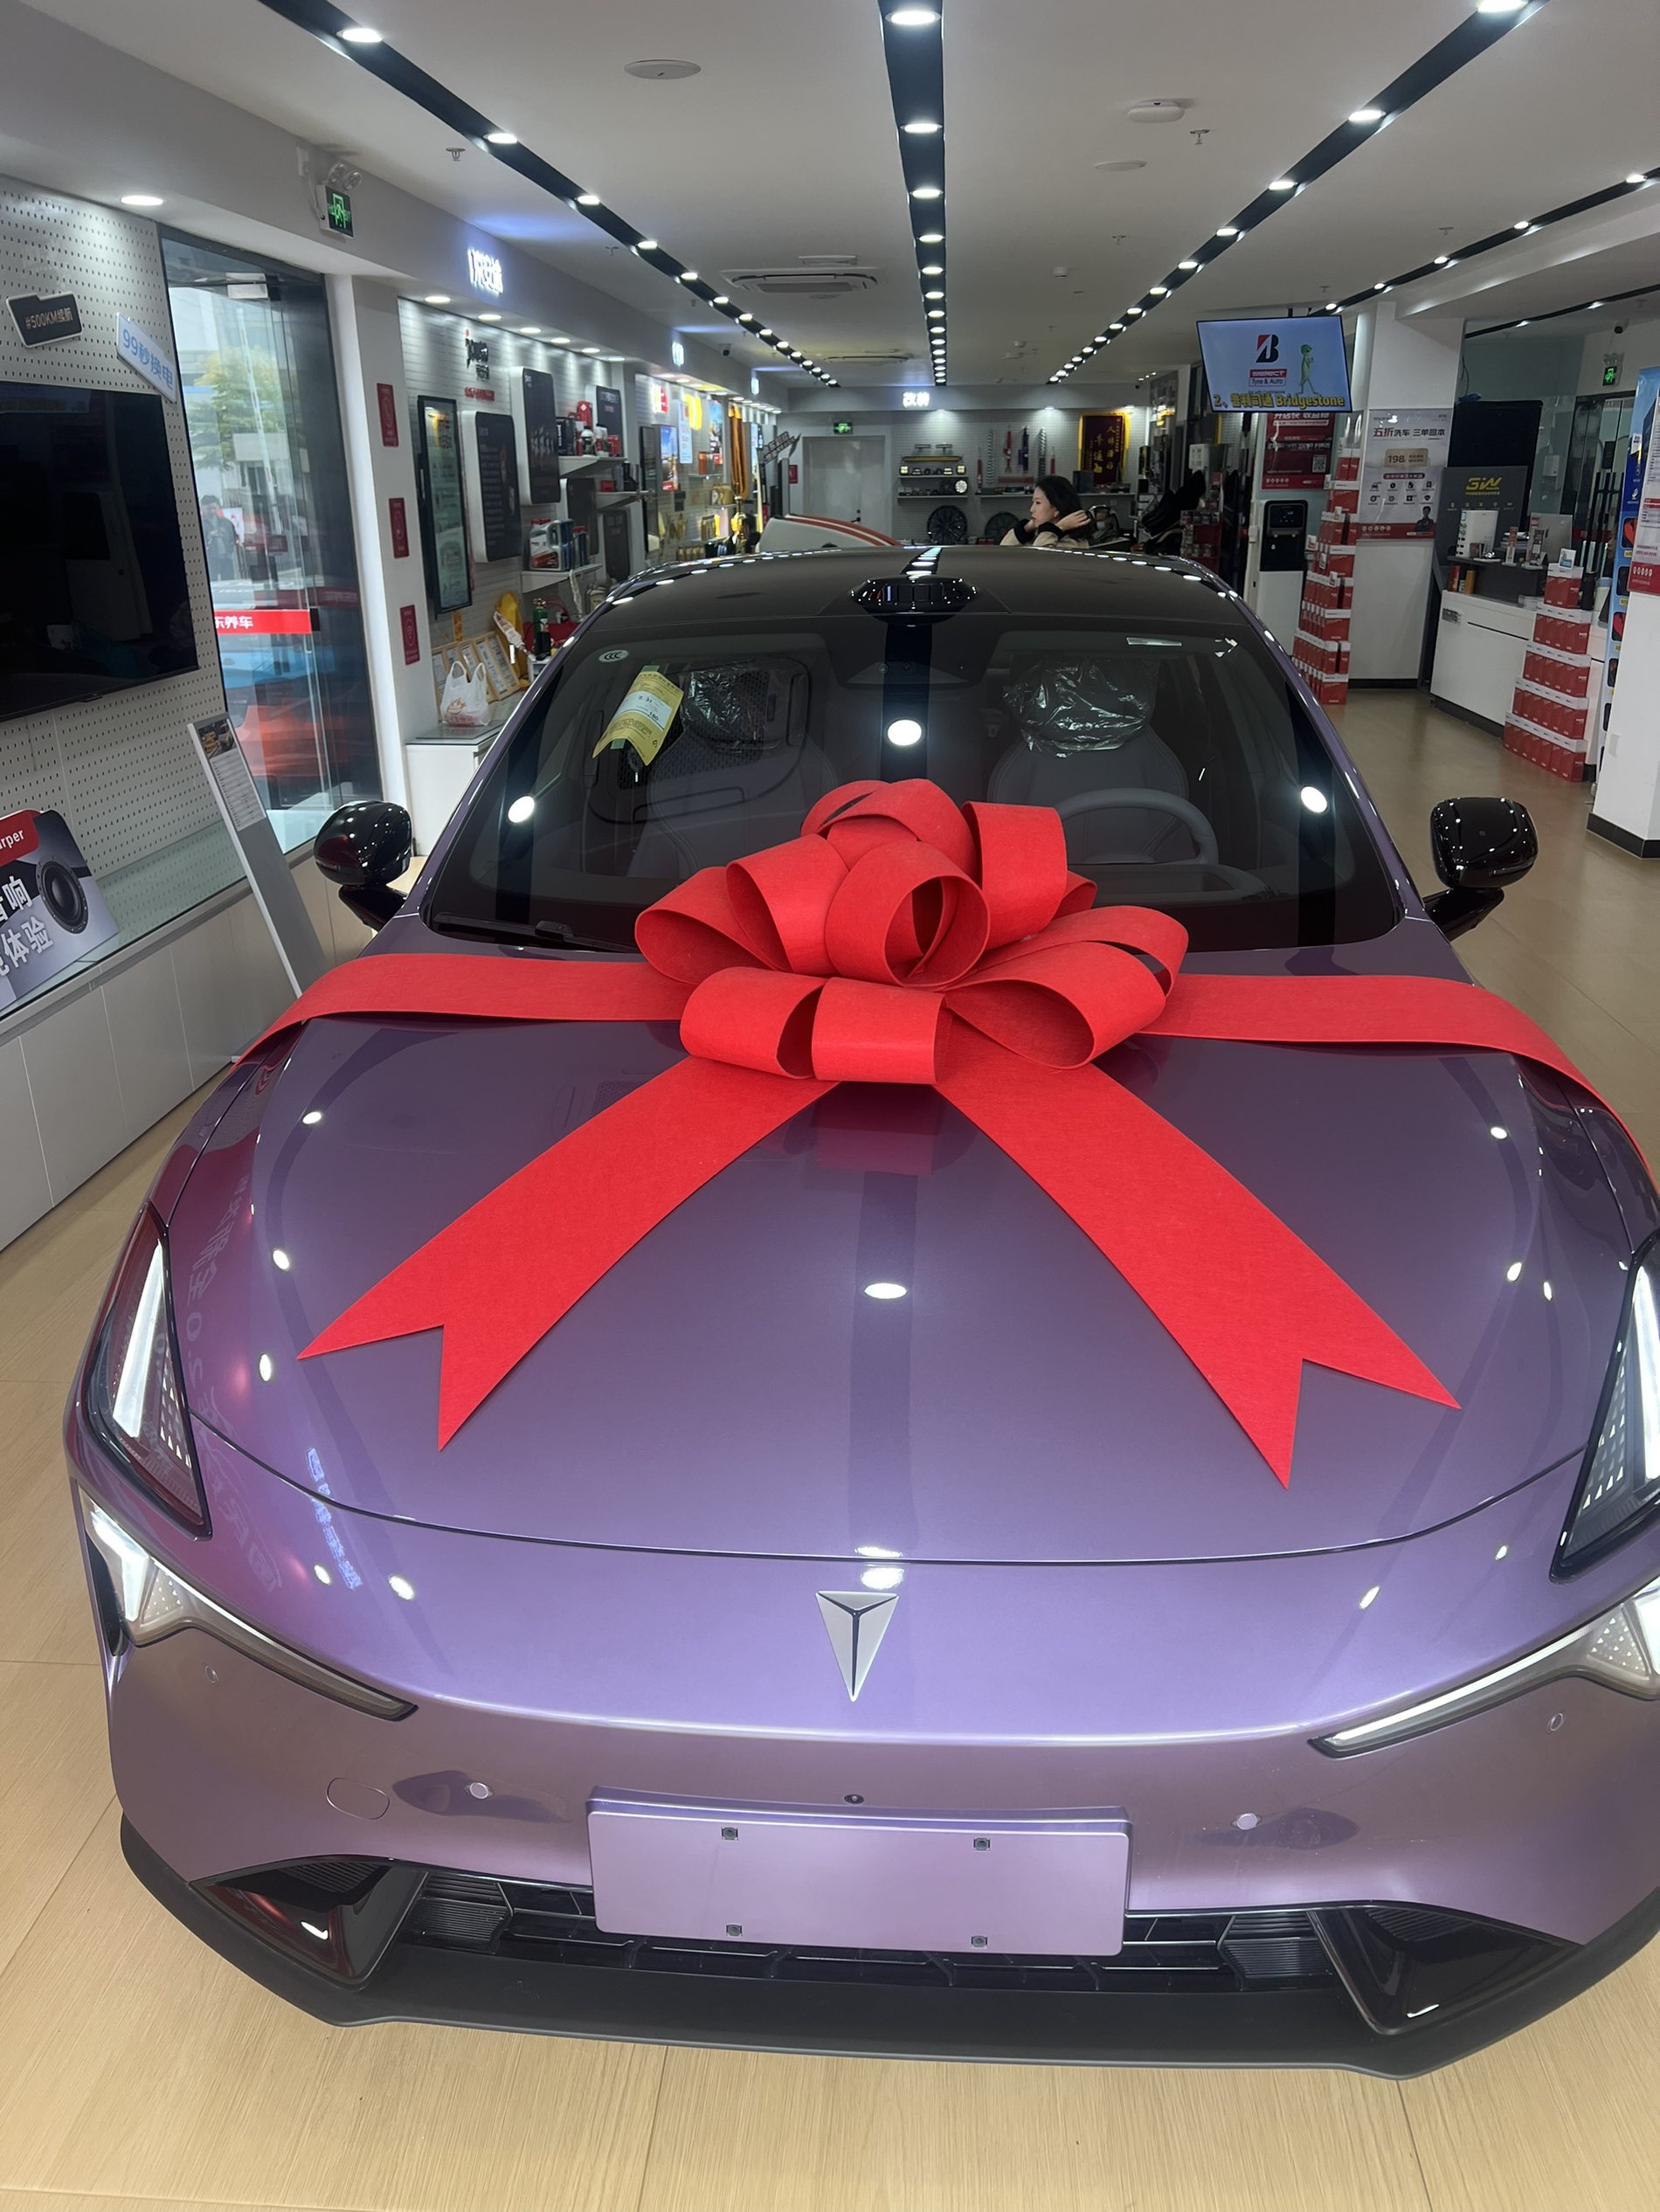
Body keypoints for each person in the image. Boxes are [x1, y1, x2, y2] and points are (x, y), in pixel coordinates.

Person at [1001, 475, 1096, 549]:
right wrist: (1025, 529)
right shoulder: (1038, 535)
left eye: (1038, 503)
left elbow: (1038, 561)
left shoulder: (1072, 544)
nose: (1032, 509)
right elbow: (1003, 552)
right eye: (1033, 502)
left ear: (1057, 508)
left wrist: (1057, 528)